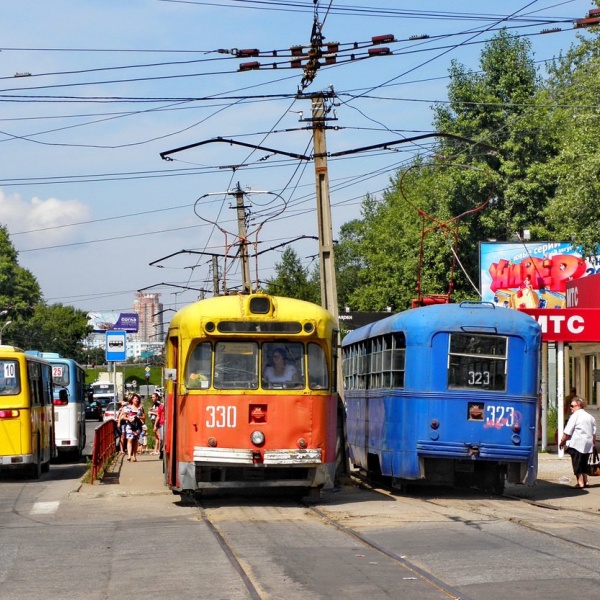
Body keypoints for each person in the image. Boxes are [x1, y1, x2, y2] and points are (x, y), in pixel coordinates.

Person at [559, 396, 596, 489]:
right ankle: (586, 481)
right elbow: (594, 433)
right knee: (584, 463)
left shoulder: (575, 416)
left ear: (579, 406)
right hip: (588, 444)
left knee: (576, 463)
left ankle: (580, 483)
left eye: (572, 406)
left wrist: (562, 442)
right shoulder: (590, 417)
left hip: (577, 443)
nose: (570, 408)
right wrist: (593, 444)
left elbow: (567, 431)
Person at [123, 394, 145, 462]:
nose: (136, 400)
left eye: (137, 398)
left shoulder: (140, 408)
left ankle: (134, 456)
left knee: (135, 441)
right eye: (135, 398)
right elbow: (123, 417)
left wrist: (139, 417)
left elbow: (144, 418)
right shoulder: (128, 408)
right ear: (132, 399)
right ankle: (129, 455)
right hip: (129, 425)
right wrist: (128, 419)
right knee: (130, 439)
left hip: (137, 426)